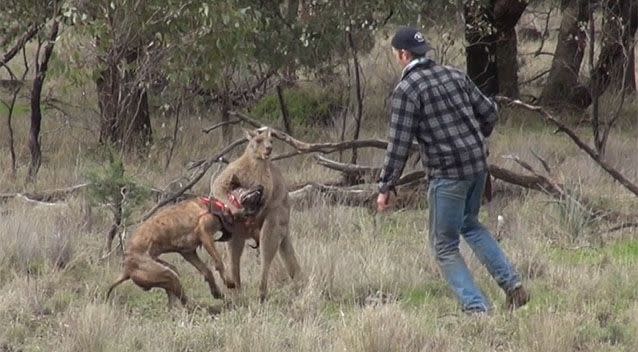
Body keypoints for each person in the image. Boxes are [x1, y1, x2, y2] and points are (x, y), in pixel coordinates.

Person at [376, 26, 529, 314]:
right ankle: (513, 287)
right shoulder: (454, 75)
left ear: (404, 55)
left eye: (396, 54)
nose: (397, 57)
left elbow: (398, 144)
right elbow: (490, 113)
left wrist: (386, 186)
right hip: (477, 166)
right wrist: (472, 137)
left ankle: (477, 308)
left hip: (448, 175)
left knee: (443, 246)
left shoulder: (407, 89)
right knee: (469, 224)